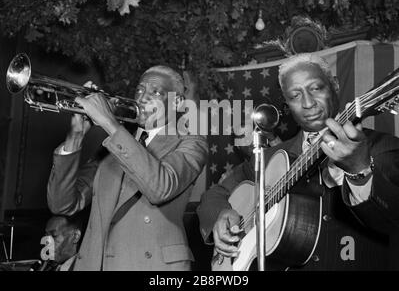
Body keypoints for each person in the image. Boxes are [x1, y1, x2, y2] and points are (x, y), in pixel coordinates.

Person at [197, 53, 399, 270]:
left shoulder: (385, 147)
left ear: (335, 86)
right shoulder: (268, 157)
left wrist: (359, 169)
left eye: (316, 88)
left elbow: (391, 221)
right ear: (287, 104)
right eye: (295, 95)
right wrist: (222, 215)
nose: (308, 103)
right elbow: (214, 194)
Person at [47, 65, 208, 271]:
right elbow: (63, 205)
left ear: (176, 102)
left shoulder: (192, 142)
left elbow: (161, 187)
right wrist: (76, 136)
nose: (142, 98)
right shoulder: (114, 144)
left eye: (155, 92)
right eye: (139, 90)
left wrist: (108, 122)